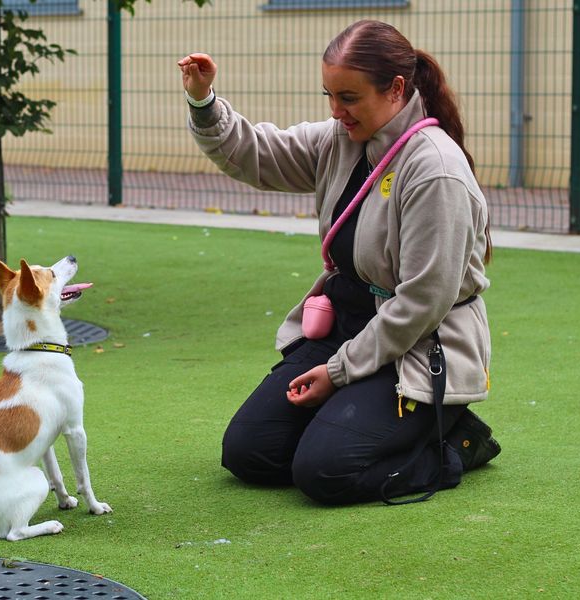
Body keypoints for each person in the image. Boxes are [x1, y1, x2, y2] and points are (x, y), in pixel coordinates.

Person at [177, 19, 500, 505]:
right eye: (329, 95)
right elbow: (258, 153)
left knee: (325, 473)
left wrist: (339, 373)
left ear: (395, 90)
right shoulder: (342, 139)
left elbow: (421, 303)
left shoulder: (435, 170)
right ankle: (363, 421)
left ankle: (457, 442)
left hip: (418, 343)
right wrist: (204, 103)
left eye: (348, 97)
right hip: (346, 326)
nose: (336, 111)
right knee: (250, 453)